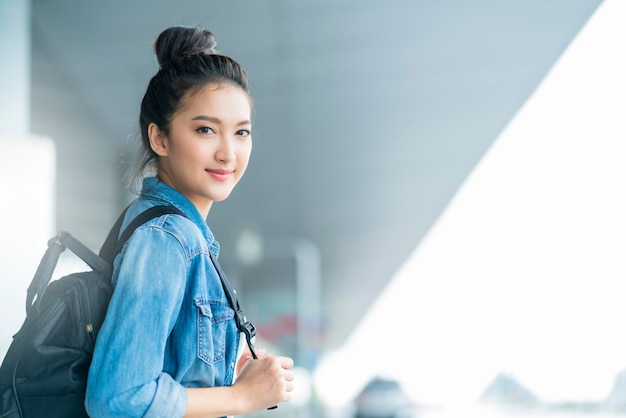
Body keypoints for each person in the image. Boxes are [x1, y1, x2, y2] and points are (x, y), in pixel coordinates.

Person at [85, 26, 295, 417]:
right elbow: (118, 398)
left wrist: (227, 367)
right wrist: (241, 398)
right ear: (160, 139)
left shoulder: (173, 232)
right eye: (205, 130)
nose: (228, 152)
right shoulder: (168, 239)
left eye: (241, 132)